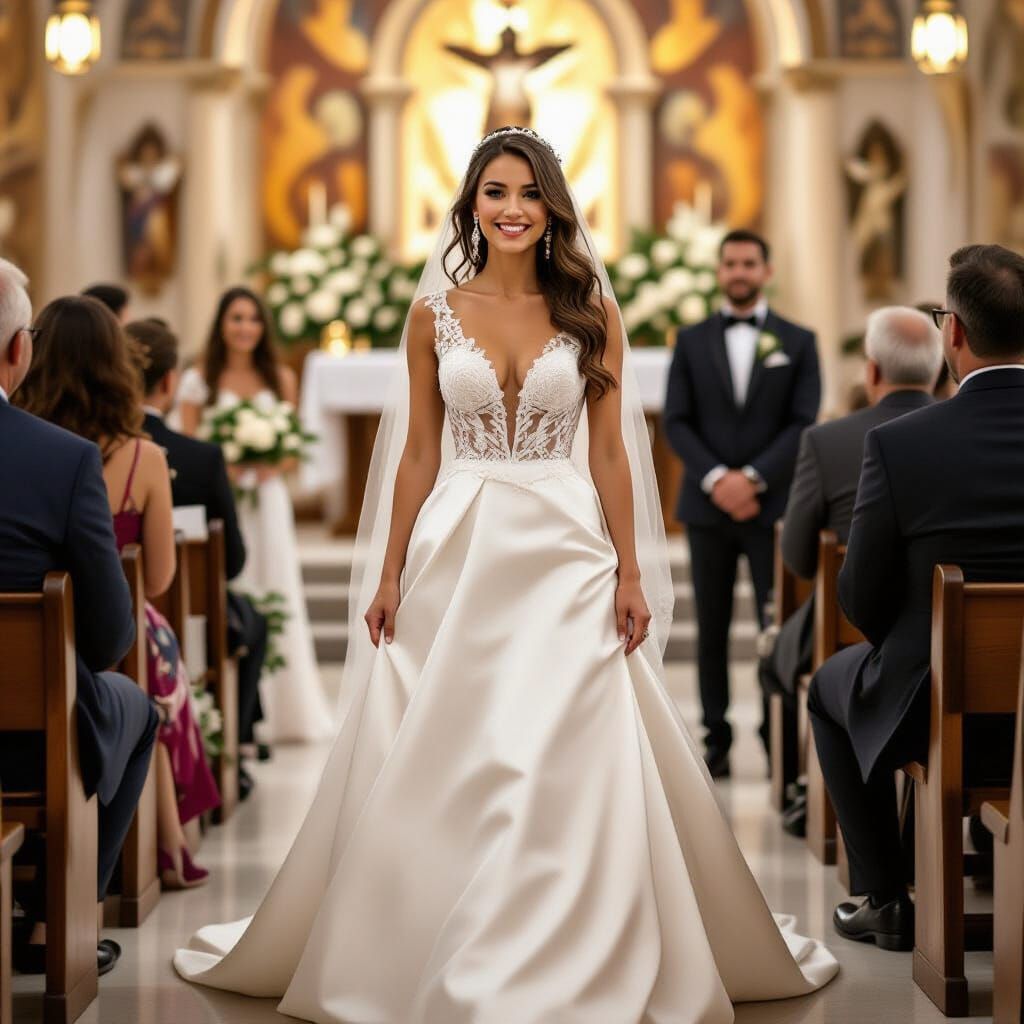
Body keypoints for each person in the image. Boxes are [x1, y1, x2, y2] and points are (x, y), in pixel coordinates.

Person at [173, 126, 837, 1021]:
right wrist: (388, 569)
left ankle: (572, 933)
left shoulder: (590, 310)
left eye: (528, 192)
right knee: (460, 738)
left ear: (552, 203)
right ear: (472, 206)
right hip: (461, 538)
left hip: (566, 540)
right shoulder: (433, 314)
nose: (513, 208)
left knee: (563, 736)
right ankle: (438, 924)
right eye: (495, 193)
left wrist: (630, 568)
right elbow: (416, 453)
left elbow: (608, 448)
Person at [808, 244, 1024, 951]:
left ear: (953, 334)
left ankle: (886, 897)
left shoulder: (903, 444)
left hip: (940, 702)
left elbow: (861, 597)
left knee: (829, 686)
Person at [15, 295, 219, 890]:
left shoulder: (25, 449)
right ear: (115, 364)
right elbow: (155, 581)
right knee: (151, 668)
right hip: (105, 632)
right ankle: (153, 852)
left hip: (27, 635)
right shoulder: (142, 458)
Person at [0, 259, 158, 976]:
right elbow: (109, 636)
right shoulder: (61, 461)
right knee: (134, 708)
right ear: (15, 350)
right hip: (25, 735)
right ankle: (52, 925)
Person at [762, 307, 940, 829]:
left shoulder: (830, 440)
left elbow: (797, 557)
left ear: (873, 371)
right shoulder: (953, 433)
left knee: (796, 669)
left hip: (858, 631)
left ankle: (805, 789)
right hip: (966, 644)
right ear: (937, 367)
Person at [663, 229, 821, 777]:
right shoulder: (690, 339)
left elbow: (803, 421)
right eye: (730, 263)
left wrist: (752, 479)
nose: (738, 272)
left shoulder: (798, 341)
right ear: (719, 270)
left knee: (774, 626)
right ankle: (716, 737)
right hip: (706, 509)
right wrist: (715, 479)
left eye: (748, 263)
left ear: (766, 271)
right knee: (711, 625)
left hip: (771, 510)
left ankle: (776, 733)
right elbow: (676, 420)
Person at [176, 288, 332, 744]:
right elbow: (188, 447)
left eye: (253, 319)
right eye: (236, 318)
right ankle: (236, 706)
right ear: (221, 324)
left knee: (274, 586)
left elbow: (294, 452)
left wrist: (268, 465)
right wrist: (228, 468)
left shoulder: (280, 377)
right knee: (233, 587)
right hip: (222, 505)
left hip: (266, 501)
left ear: (263, 328)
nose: (245, 328)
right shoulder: (198, 378)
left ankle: (284, 708)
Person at [128, 316, 266, 796]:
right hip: (190, 614)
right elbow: (233, 560)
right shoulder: (200, 456)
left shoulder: (89, 448)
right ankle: (237, 746)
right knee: (252, 620)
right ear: (170, 382)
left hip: (114, 618)